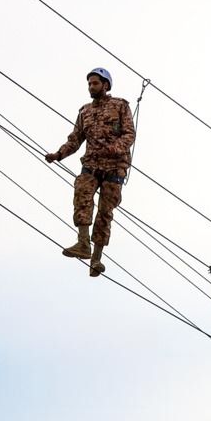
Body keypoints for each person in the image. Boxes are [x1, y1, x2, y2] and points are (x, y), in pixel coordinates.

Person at [45, 68, 135, 278]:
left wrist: (115, 148)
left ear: (105, 85)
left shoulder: (120, 106)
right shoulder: (85, 112)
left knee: (105, 213)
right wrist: (59, 154)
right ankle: (83, 243)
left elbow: (130, 134)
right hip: (92, 165)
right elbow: (75, 139)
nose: (91, 87)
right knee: (82, 197)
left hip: (114, 168)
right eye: (89, 84)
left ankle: (96, 260)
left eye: (95, 83)